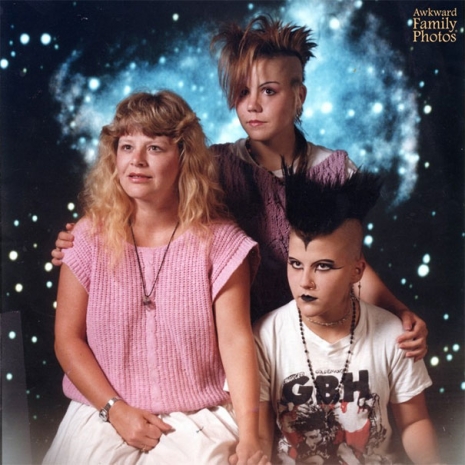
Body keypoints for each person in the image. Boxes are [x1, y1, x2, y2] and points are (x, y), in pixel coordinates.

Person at [51, 15, 427, 360]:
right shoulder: (212, 165)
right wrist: (80, 242)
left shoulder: (335, 170)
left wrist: (398, 311)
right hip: (237, 338)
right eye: (243, 92)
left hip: (317, 337)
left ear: (299, 95)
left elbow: (346, 260)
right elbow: (147, 210)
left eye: (269, 91)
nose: (253, 106)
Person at [43, 91, 270, 465]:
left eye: (154, 148)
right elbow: (67, 339)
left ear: (183, 158)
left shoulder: (221, 243)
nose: (136, 160)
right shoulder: (86, 237)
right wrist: (115, 409)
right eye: (127, 146)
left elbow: (236, 341)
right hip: (103, 409)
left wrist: (250, 436)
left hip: (198, 418)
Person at [253, 169, 440, 464]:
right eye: (296, 264)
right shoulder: (265, 336)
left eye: (323, 266)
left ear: (357, 271)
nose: (305, 282)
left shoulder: (393, 334)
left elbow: (414, 422)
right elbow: (260, 436)